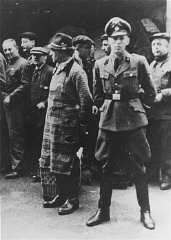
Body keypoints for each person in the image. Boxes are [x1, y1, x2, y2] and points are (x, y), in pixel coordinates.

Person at [86, 17, 156, 230]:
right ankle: (103, 210)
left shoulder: (139, 61)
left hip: (133, 121)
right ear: (108, 40)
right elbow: (97, 95)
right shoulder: (100, 64)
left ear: (127, 40)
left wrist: (136, 100)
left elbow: (151, 93)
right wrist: (108, 104)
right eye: (112, 38)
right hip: (108, 122)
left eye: (121, 38)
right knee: (106, 167)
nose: (117, 42)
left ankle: (145, 212)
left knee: (139, 167)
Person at [40, 33, 93, 215]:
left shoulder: (76, 71)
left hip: (68, 127)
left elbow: (86, 100)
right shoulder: (58, 68)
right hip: (53, 125)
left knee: (68, 163)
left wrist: (80, 124)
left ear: (63, 51)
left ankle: (72, 199)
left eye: (54, 51)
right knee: (55, 162)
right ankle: (61, 195)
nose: (51, 54)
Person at [72, 35, 100, 181]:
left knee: (88, 139)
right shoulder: (69, 64)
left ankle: (86, 170)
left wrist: (93, 103)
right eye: (87, 48)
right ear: (79, 48)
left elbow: (92, 87)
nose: (90, 51)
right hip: (73, 109)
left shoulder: (88, 65)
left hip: (86, 109)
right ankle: (74, 173)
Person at [147, 33, 171, 190]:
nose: (156, 47)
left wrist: (164, 94)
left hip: (167, 114)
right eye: (154, 44)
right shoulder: (151, 65)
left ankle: (168, 175)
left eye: (159, 44)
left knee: (166, 146)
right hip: (152, 113)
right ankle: (153, 173)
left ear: (167, 46)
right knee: (153, 144)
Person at [26, 47, 53, 182]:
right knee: (34, 140)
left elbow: (53, 93)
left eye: (38, 56)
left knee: (42, 140)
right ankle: (36, 169)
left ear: (45, 57)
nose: (35, 58)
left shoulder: (50, 71)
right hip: (33, 112)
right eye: (33, 56)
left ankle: (42, 170)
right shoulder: (33, 71)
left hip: (43, 112)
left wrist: (45, 102)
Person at [2, 39, 28, 179]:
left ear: (16, 48)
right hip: (5, 103)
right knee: (6, 134)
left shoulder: (23, 63)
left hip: (16, 104)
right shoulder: (6, 64)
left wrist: (11, 96)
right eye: (5, 50)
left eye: (9, 49)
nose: (7, 52)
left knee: (15, 134)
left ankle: (18, 168)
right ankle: (7, 164)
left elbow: (25, 85)